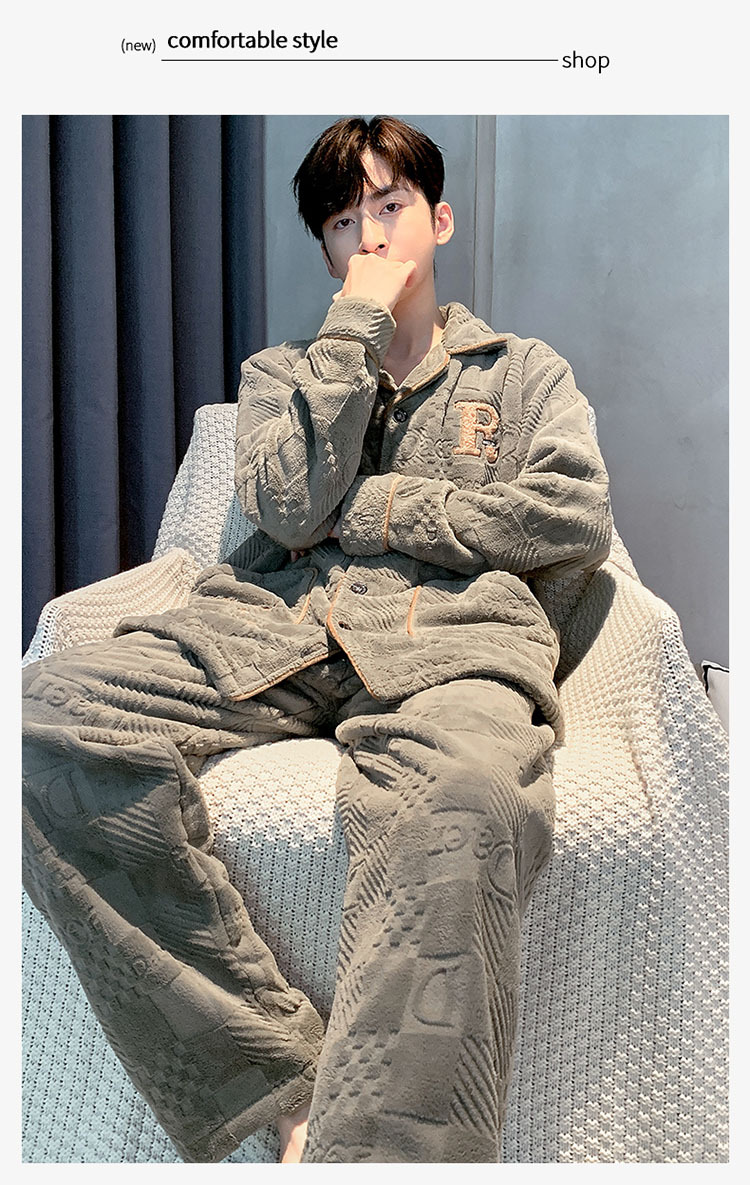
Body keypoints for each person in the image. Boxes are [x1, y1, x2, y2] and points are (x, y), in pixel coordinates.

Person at [21, 116, 612, 1164]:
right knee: (40, 719)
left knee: (466, 795)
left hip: (450, 641)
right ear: (328, 250)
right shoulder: (282, 373)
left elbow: (568, 518)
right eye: (344, 221)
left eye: (390, 206)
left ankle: (376, 1156)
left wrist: (378, 510)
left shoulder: (524, 373)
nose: (371, 235)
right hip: (276, 628)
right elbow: (290, 509)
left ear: (439, 218)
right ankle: (272, 1074)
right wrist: (352, 334)